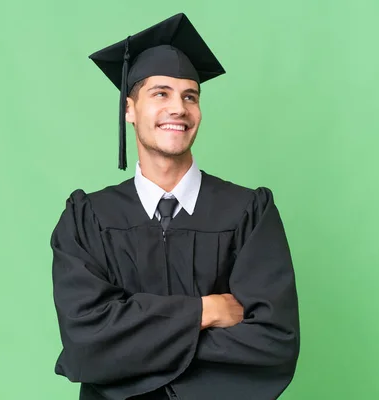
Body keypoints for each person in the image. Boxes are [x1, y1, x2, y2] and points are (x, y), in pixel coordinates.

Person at [51, 13, 300, 400]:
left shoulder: (249, 214)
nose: (179, 108)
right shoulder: (88, 220)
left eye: (190, 96)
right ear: (129, 109)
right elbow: (87, 343)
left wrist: (134, 346)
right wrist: (206, 312)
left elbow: (273, 343)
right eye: (160, 93)